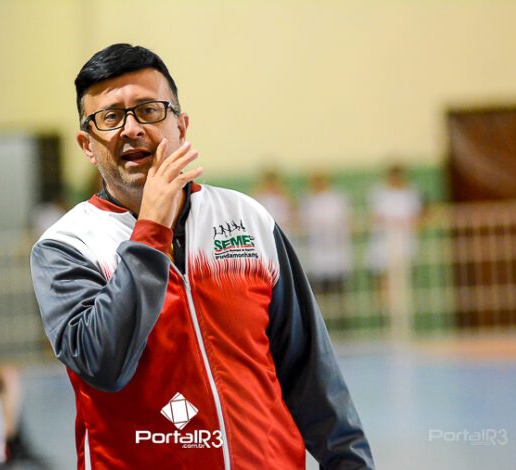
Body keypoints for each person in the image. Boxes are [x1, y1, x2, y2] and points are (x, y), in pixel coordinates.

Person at [30, 44, 374, 469]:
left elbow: (311, 371)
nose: (131, 129)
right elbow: (103, 365)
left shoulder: (248, 220)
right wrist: (151, 230)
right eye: (110, 117)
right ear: (87, 144)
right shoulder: (66, 247)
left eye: (148, 110)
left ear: (181, 125)